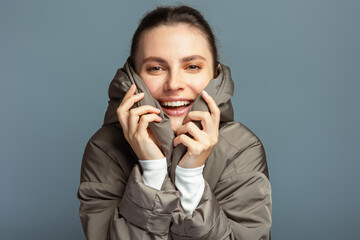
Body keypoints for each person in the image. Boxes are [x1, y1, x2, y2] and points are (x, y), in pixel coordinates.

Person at [78, 5, 272, 240]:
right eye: (156, 68)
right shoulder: (105, 149)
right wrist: (152, 169)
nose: (173, 84)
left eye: (192, 66)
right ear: (133, 77)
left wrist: (190, 176)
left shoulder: (242, 149)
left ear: (214, 75)